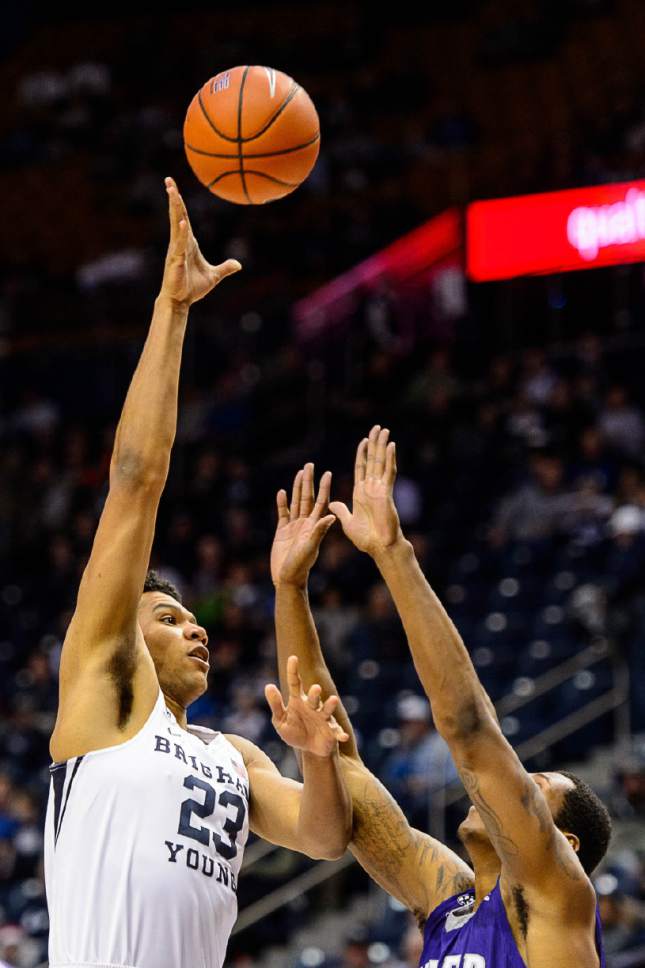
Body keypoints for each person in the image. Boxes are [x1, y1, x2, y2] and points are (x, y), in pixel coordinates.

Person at [44, 178, 352, 968]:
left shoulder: (235, 757)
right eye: (169, 619)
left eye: (191, 618)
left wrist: (316, 758)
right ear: (126, 640)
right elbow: (138, 478)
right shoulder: (106, 693)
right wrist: (173, 311)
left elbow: (322, 835)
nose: (195, 626)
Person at [271, 428, 612, 968]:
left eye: (532, 786)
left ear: (565, 847)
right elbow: (339, 763)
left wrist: (393, 553)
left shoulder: (555, 898)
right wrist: (290, 590)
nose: (514, 781)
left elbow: (470, 730)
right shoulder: (447, 903)